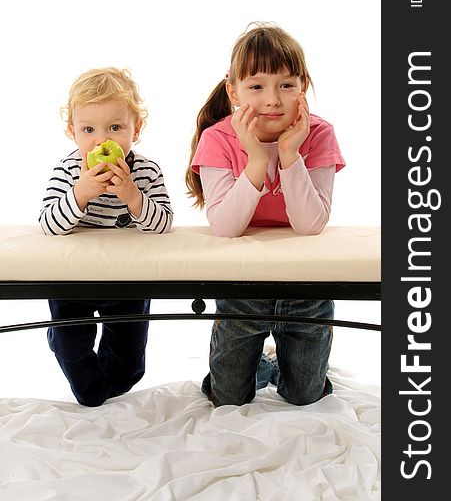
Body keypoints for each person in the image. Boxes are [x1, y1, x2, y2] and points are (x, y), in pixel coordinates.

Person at [186, 23, 345, 407]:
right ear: (233, 91)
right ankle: (263, 363)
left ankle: (285, 364)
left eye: (286, 85)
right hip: (243, 282)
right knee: (228, 398)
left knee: (305, 395)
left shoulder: (319, 134)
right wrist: (257, 158)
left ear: (302, 87)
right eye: (256, 87)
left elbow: (310, 224)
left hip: (305, 283)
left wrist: (289, 154)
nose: (273, 100)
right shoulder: (218, 139)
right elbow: (225, 227)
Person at [39, 67, 173, 406]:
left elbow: (163, 224)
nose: (102, 140)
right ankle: (82, 375)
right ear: (72, 132)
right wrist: (80, 193)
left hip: (127, 280)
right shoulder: (69, 170)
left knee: (129, 368)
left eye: (115, 127)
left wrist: (133, 196)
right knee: (82, 375)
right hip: (74, 283)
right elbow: (49, 224)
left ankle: (110, 387)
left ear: (135, 129)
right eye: (89, 129)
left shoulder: (145, 172)